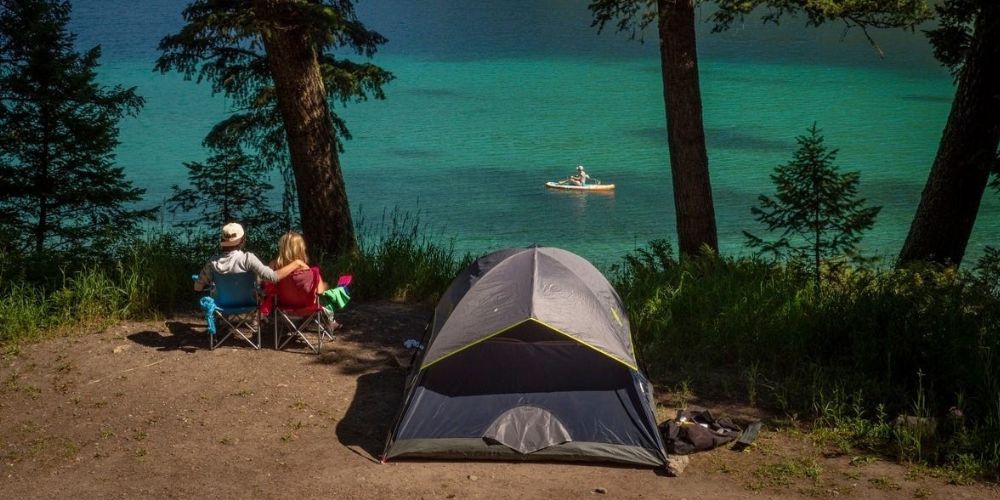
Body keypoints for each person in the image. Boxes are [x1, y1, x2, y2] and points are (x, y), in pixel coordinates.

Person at [194, 222, 307, 292]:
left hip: (223, 305)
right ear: (242, 241)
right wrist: (296, 263)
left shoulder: (213, 262)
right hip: (248, 303)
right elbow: (272, 277)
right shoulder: (248, 259)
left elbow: (197, 287)